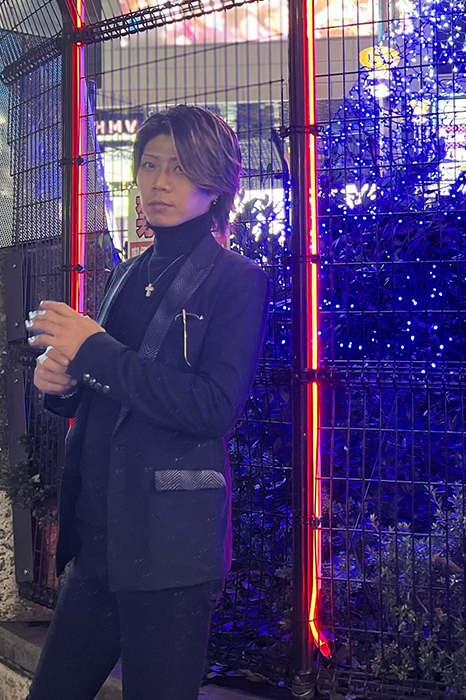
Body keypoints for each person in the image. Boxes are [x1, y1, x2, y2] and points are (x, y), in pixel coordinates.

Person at [25, 105, 270, 700]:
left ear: (215, 183)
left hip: (170, 552)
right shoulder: (128, 273)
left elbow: (214, 407)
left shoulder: (237, 279)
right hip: (99, 541)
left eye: (180, 169)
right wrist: (64, 385)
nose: (159, 182)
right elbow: (117, 391)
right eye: (150, 164)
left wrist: (93, 350)